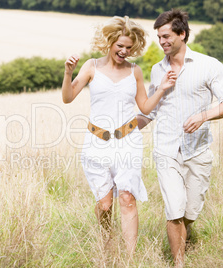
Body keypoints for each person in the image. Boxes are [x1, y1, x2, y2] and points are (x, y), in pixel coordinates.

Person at [62, 16, 177, 255]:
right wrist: (68, 72)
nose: (124, 51)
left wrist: (163, 89)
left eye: (129, 47)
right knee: (105, 204)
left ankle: (130, 257)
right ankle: (106, 243)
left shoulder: (135, 71)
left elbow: (144, 107)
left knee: (127, 198)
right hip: (97, 142)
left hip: (128, 142)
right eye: (120, 46)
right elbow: (68, 97)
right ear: (110, 42)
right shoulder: (92, 66)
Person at [137, 9, 223, 267]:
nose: (162, 42)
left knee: (190, 213)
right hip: (166, 150)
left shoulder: (209, 65)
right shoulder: (156, 70)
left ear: (182, 34)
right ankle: (178, 262)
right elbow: (151, 110)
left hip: (198, 150)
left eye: (167, 36)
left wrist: (203, 116)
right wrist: (120, 132)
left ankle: (185, 234)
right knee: (174, 211)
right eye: (159, 37)